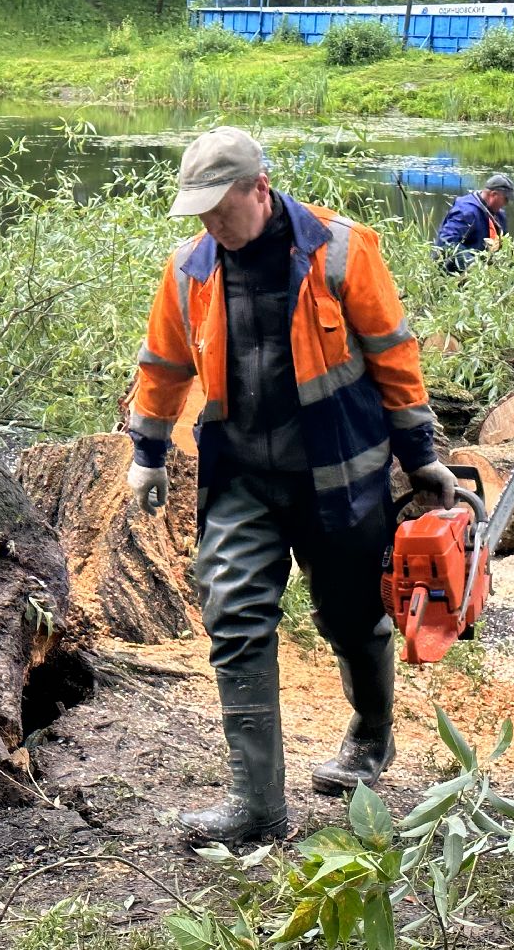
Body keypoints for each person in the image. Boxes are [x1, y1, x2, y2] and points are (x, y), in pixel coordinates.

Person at [124, 126, 456, 845]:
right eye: (200, 212)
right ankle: (257, 807)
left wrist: (420, 452)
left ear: (259, 187)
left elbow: (394, 354)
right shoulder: (189, 269)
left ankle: (370, 738)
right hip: (241, 477)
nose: (212, 224)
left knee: (347, 616)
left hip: (338, 475)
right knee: (235, 617)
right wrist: (147, 452)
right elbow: (163, 363)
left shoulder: (341, 251)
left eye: (221, 207)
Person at [433, 174, 514, 274]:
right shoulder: (466, 211)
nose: (506, 203)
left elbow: (504, 248)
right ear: (493, 194)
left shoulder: (499, 216)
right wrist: (475, 265)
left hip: (482, 274)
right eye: (505, 199)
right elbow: (447, 242)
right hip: (454, 274)